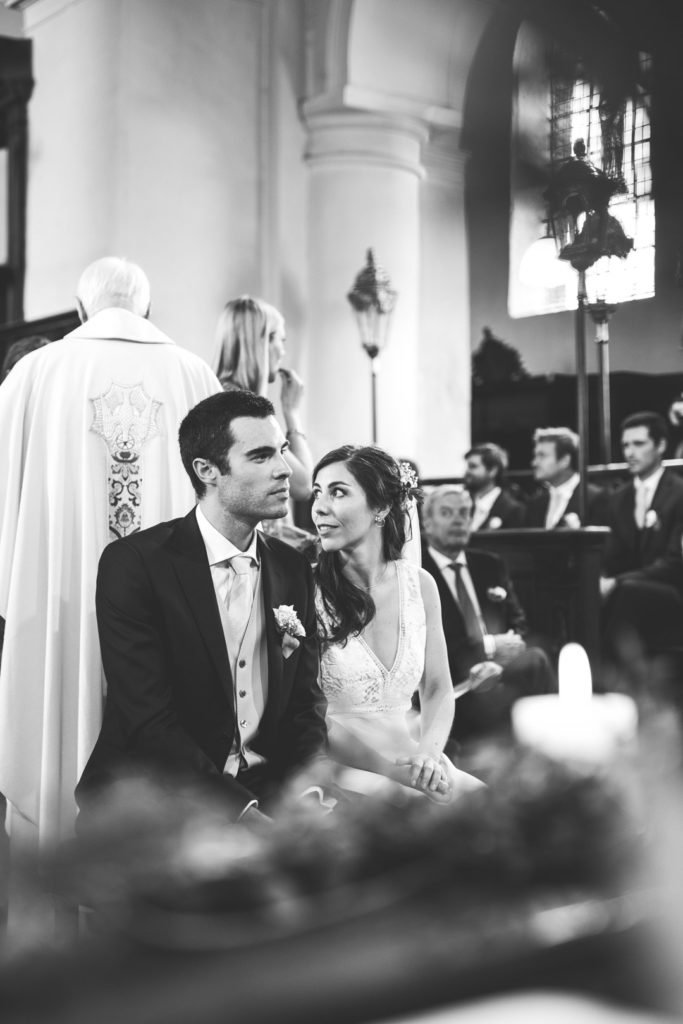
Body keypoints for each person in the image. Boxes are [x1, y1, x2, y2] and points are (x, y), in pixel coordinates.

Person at [0, 256, 222, 842]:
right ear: (147, 309)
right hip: (173, 602)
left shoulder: (33, 374)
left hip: (58, 601)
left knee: (57, 745)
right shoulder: (195, 374)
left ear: (79, 310)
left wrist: (14, 586)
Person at [77, 390, 327, 823]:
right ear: (207, 470)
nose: (285, 470)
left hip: (267, 789)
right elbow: (149, 721)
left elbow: (305, 704)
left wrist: (305, 792)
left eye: (282, 451)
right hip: (155, 796)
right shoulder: (136, 565)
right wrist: (243, 816)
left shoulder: (291, 567)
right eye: (261, 456)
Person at [311, 445, 483, 804]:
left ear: (382, 506)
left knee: (491, 809)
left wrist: (429, 755)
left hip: (413, 756)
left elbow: (437, 688)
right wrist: (396, 773)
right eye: (316, 492)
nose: (319, 508)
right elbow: (312, 715)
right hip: (343, 764)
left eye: (337, 492)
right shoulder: (305, 591)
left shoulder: (419, 585)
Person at [421, 486, 555, 743]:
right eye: (447, 513)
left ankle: (550, 751)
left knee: (537, 657)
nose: (459, 520)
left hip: (504, 668)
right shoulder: (417, 572)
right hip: (455, 676)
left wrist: (509, 648)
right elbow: (424, 643)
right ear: (427, 522)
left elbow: (518, 622)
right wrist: (489, 647)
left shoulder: (489, 565)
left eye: (464, 513)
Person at [601, 412, 683, 681]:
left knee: (626, 591)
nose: (630, 452)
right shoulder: (617, 498)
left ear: (660, 446)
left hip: (671, 590)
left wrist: (617, 581)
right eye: (625, 445)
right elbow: (612, 554)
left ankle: (608, 674)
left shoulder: (679, 493)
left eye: (639, 444)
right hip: (626, 592)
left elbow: (675, 562)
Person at [213, 295, 313, 501]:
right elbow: (304, 485)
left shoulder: (218, 395)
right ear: (263, 341)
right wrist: (292, 412)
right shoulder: (242, 408)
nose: (283, 351)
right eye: (281, 340)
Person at [524, 427, 608, 528]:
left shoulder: (595, 498)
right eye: (535, 456)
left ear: (565, 460)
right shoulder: (536, 503)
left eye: (542, 456)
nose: (534, 463)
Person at [464, 442, 524, 530]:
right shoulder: (466, 506)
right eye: (468, 467)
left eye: (473, 466)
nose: (467, 472)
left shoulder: (512, 510)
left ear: (492, 471)